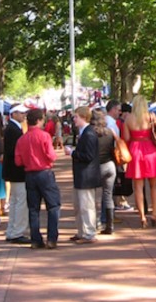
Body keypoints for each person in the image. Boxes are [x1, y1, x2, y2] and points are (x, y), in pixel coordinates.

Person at [15, 107, 61, 249]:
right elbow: (51, 156)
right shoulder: (44, 136)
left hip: (30, 174)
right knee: (53, 206)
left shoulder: (22, 139)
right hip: (45, 172)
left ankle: (36, 239)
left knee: (33, 208)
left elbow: (18, 161)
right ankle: (52, 238)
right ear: (39, 120)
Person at [123, 95, 156, 229]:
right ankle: (155, 214)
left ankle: (142, 217)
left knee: (138, 187)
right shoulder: (151, 116)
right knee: (155, 185)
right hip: (150, 150)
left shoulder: (128, 119)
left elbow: (127, 138)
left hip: (135, 150)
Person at [68, 106, 101, 244]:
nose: (74, 119)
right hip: (82, 175)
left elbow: (88, 156)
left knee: (86, 205)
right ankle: (82, 231)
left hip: (87, 176)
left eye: (76, 117)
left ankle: (89, 233)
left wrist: (72, 153)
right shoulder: (85, 133)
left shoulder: (89, 134)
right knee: (79, 205)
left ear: (83, 117)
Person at [3, 104, 30, 244]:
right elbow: (16, 152)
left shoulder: (12, 129)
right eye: (21, 113)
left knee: (15, 201)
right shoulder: (13, 130)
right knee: (20, 202)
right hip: (17, 171)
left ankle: (12, 230)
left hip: (13, 171)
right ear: (13, 114)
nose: (24, 115)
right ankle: (17, 231)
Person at [91, 108, 116, 235]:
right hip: (110, 165)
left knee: (92, 196)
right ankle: (110, 225)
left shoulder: (91, 133)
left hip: (96, 166)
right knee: (108, 195)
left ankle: (95, 223)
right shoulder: (110, 132)